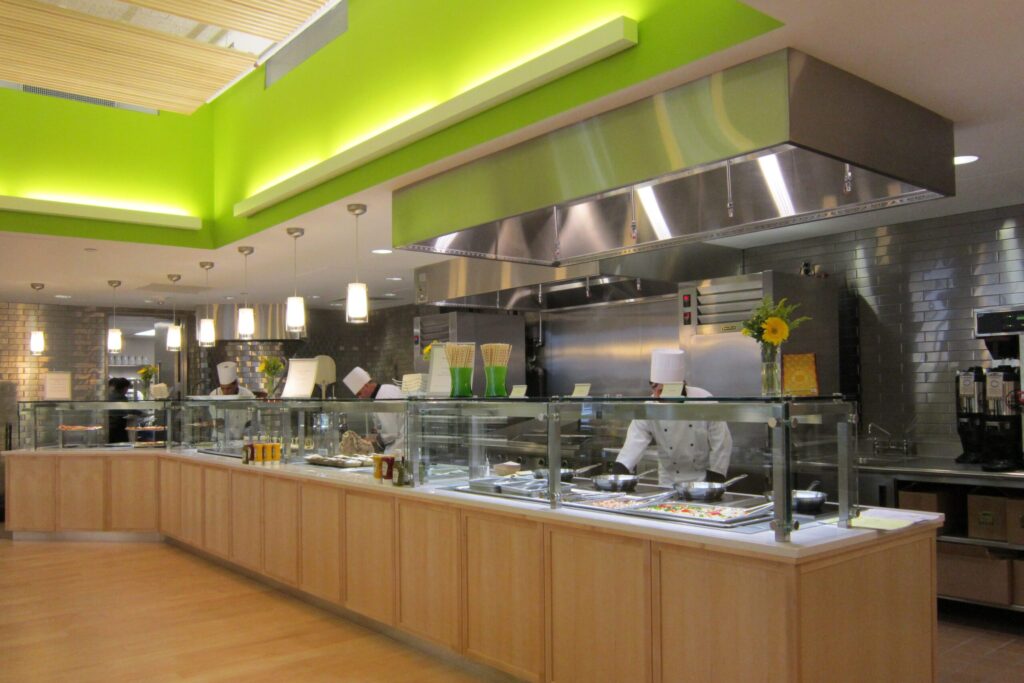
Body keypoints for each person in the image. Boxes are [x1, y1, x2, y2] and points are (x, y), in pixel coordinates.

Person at [611, 349, 732, 484]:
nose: (656, 395)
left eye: (662, 390)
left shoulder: (704, 400)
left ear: (680, 387)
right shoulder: (650, 406)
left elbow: (721, 441)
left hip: (701, 480)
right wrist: (619, 471)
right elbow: (634, 442)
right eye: (653, 388)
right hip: (667, 480)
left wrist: (716, 475)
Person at [343, 366, 404, 453]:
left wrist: (374, 441)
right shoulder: (388, 388)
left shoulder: (382, 399)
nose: (360, 398)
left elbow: (390, 434)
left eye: (360, 394)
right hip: (401, 446)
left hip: (397, 450)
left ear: (366, 386)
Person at [210, 361, 255, 441]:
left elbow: (251, 420)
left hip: (241, 438)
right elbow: (213, 418)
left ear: (236, 384)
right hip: (220, 439)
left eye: (228, 388)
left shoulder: (247, 395)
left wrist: (247, 432)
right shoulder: (214, 394)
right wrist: (215, 422)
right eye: (223, 388)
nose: (225, 392)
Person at [106, 377, 135, 443]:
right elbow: (128, 410)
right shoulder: (121, 397)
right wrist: (141, 413)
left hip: (110, 426)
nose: (127, 390)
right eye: (127, 388)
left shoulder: (110, 395)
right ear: (124, 388)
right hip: (118, 427)